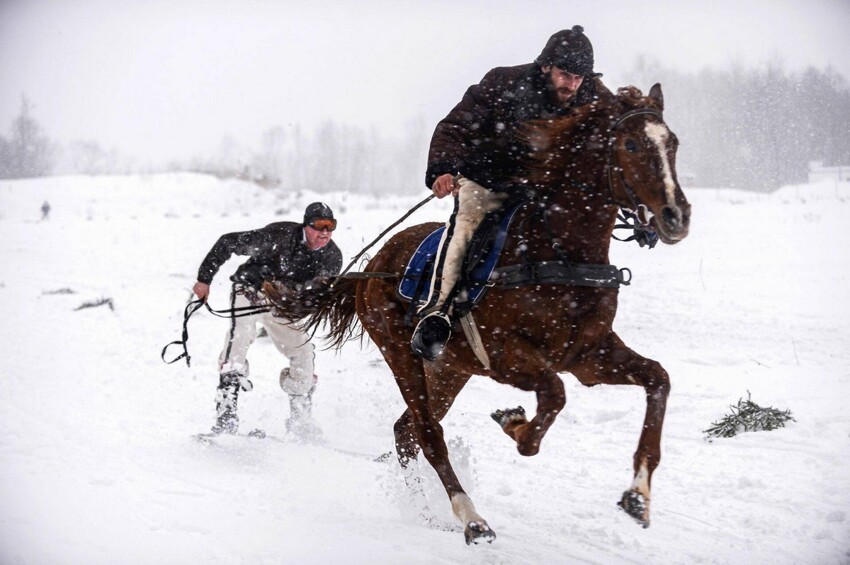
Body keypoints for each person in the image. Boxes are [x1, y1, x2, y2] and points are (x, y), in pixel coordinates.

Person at [410, 25, 612, 361]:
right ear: (546, 65)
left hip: (546, 191)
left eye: (579, 78)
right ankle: (438, 312)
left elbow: (622, 138)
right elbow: (454, 127)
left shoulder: (593, 95)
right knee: (468, 220)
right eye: (565, 75)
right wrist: (443, 168)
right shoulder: (502, 82)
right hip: (488, 181)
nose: (571, 85)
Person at [192, 202, 343, 439]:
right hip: (250, 292)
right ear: (306, 225)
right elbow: (226, 242)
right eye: (318, 226)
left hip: (284, 303)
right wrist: (204, 280)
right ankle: (226, 417)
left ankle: (300, 420)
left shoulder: (332, 257)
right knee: (238, 340)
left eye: (330, 227)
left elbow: (318, 296)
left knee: (303, 352)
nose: (324, 232)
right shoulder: (278, 235)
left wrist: (303, 302)